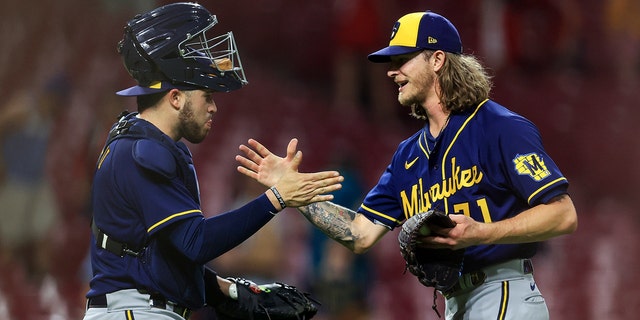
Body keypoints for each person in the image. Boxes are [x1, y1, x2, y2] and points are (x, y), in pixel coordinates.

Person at [236, 10, 578, 320]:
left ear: (438, 60)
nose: (392, 72)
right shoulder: (407, 156)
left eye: (403, 59)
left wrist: (482, 232)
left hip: (503, 290)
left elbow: (563, 214)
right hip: (455, 302)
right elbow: (360, 234)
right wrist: (295, 195)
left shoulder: (498, 127)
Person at [83, 3, 343, 320]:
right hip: (137, 311)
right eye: (207, 96)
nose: (214, 108)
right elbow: (196, 242)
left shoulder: (140, 144)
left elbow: (168, 253)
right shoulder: (143, 152)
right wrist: (276, 198)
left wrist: (230, 291)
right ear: (175, 97)